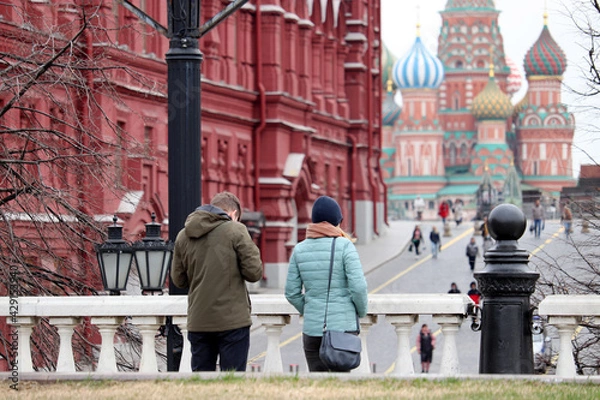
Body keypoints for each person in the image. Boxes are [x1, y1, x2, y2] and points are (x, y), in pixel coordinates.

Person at [170, 191, 263, 372]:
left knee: (202, 382)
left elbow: (178, 280)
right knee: (233, 380)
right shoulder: (235, 230)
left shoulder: (184, 235)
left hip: (199, 319)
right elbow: (254, 272)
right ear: (233, 214)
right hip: (233, 321)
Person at [285, 196, 368, 372]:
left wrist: (310, 310)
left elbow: (291, 293)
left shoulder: (299, 249)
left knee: (317, 386)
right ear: (337, 221)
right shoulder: (345, 246)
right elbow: (359, 287)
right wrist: (360, 311)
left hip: (312, 330)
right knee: (341, 385)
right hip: (342, 329)